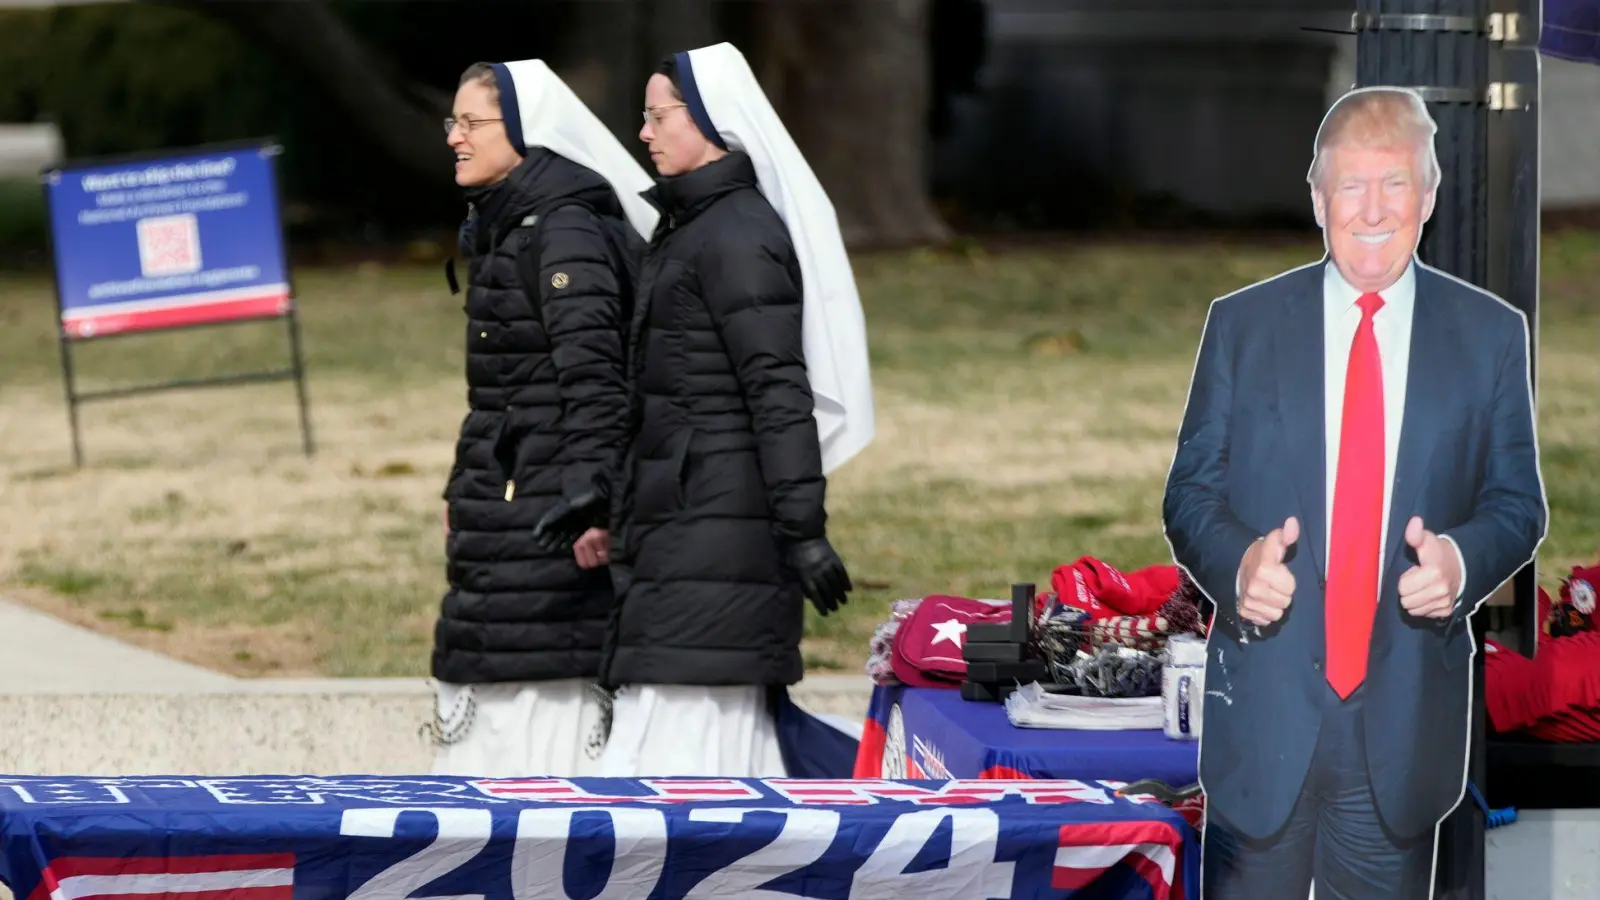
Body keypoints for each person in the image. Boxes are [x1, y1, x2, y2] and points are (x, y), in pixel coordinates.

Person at [1163, 85, 1547, 899]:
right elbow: (1189, 494)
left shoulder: (1488, 336)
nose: (1372, 210)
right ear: (1317, 197)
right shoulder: (1243, 326)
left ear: (1430, 194)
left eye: (1395, 183)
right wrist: (1237, 569)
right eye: (1351, 185)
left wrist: (1459, 560)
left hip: (1402, 730)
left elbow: (1519, 503)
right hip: (1264, 718)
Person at [537, 42, 873, 777]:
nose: (645, 134)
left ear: (716, 125)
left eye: (659, 116)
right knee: (672, 736)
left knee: (694, 751)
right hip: (683, 526)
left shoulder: (737, 235)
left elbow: (777, 391)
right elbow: (670, 393)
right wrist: (607, 492)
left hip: (717, 533)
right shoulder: (692, 226)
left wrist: (804, 532)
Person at [427, 58, 656, 777]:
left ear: (523, 131)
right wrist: (459, 489)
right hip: (510, 496)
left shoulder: (564, 231)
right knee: (502, 657)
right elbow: (501, 391)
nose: (454, 139)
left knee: (543, 677)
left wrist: (597, 501)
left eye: (472, 123)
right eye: (452, 122)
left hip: (553, 504)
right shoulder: (511, 225)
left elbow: (594, 378)